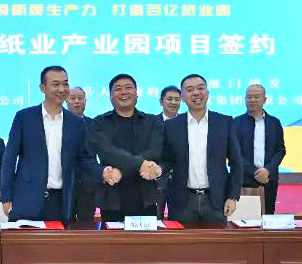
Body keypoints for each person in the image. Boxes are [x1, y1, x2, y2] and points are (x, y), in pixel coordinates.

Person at [0, 66, 102, 224]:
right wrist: (6, 197)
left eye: (65, 84)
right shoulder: (24, 117)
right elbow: (9, 158)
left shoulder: (76, 123)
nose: (62, 89)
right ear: (43, 88)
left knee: (58, 240)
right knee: (24, 240)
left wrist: (104, 172)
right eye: (56, 84)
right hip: (26, 199)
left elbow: (84, 159)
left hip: (60, 202)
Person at [162, 74, 242, 224]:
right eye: (190, 90)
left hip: (216, 202)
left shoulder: (224, 122)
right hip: (182, 202)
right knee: (181, 240)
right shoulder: (171, 126)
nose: (196, 93)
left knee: (216, 239)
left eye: (200, 88)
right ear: (182, 97)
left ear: (207, 93)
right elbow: (165, 161)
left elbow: (236, 163)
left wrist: (232, 196)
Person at [88, 73, 163, 222]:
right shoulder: (99, 122)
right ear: (110, 96)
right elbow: (107, 152)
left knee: (147, 237)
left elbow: (155, 151)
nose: (123, 92)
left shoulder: (153, 121)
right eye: (118, 89)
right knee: (112, 237)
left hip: (146, 197)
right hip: (112, 198)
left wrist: (123, 168)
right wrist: (141, 164)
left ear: (137, 93)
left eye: (128, 88)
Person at [234, 84, 286, 214]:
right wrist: (256, 172)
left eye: (256, 97)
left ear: (265, 100)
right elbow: (234, 153)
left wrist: (267, 170)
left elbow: (280, 150)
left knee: (267, 217)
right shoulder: (236, 123)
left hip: (268, 179)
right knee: (244, 219)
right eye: (249, 97)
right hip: (244, 180)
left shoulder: (274, 123)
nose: (252, 100)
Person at [67, 86, 98, 224]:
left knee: (87, 225)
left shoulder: (94, 124)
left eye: (80, 98)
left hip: (88, 185)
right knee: (66, 225)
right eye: (72, 98)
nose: (76, 101)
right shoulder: (59, 123)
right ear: (66, 101)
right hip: (65, 184)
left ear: (85, 101)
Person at [156, 85, 181, 219]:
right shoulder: (152, 123)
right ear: (161, 102)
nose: (173, 102)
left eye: (177, 99)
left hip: (181, 182)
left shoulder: (186, 123)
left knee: (179, 221)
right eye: (169, 99)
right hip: (158, 181)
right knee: (156, 219)